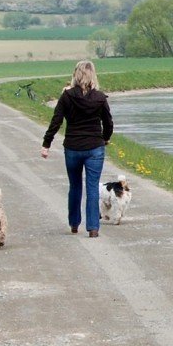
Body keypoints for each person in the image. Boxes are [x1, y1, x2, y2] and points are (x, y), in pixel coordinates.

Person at [41, 60, 115, 237]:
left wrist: (46, 144)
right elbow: (109, 123)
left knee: (75, 186)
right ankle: (93, 228)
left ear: (75, 74)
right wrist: (104, 139)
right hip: (95, 147)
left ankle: (74, 224)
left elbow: (56, 121)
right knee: (91, 187)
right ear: (93, 76)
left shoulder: (67, 97)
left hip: (73, 147)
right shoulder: (100, 97)